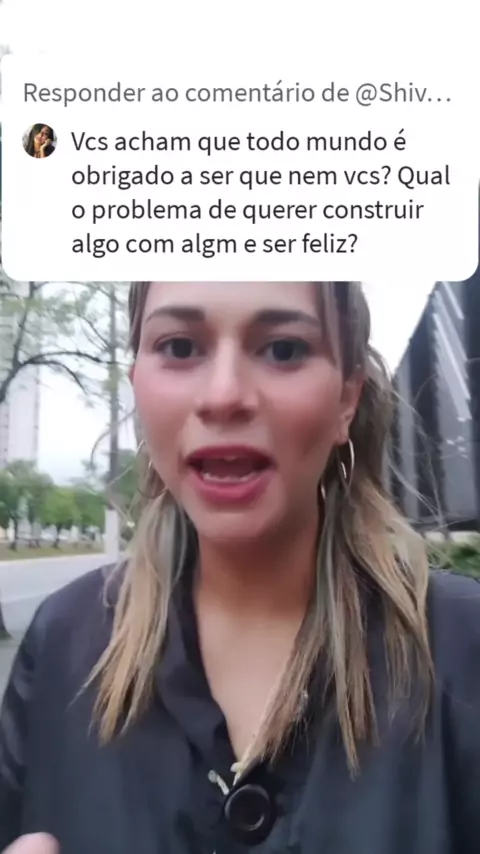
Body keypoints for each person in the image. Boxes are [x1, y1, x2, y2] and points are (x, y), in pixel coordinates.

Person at [1, 281, 479, 854]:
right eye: (180, 347)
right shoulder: (61, 642)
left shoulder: (463, 648)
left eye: (284, 349)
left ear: (347, 399)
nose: (224, 395)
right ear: (138, 386)